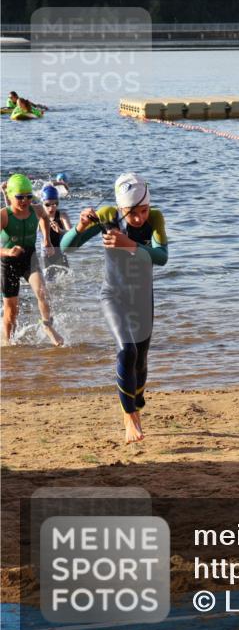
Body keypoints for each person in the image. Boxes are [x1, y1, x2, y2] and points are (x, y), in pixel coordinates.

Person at [60, 173, 168, 445]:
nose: (139, 218)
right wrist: (81, 226)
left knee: (141, 363)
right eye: (132, 213)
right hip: (113, 296)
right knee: (126, 350)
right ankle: (129, 416)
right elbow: (66, 247)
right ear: (120, 209)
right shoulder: (108, 216)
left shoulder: (155, 218)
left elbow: (162, 258)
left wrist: (130, 245)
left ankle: (135, 405)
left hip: (143, 299)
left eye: (143, 211)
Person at [1, 174, 63, 346]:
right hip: (8, 263)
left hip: (29, 256)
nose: (25, 201)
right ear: (10, 196)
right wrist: (7, 251)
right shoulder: (4, 215)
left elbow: (44, 218)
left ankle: (47, 326)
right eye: (20, 197)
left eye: (28, 196)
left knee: (42, 292)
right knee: (11, 311)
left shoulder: (36, 209)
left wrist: (47, 240)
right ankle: (8, 344)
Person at [39, 184, 71, 277]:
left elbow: (71, 233)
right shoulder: (39, 217)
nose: (51, 208)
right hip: (46, 254)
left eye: (55, 204)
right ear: (42, 203)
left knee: (67, 279)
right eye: (47, 204)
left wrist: (60, 231)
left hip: (60, 252)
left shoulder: (62, 215)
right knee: (48, 281)